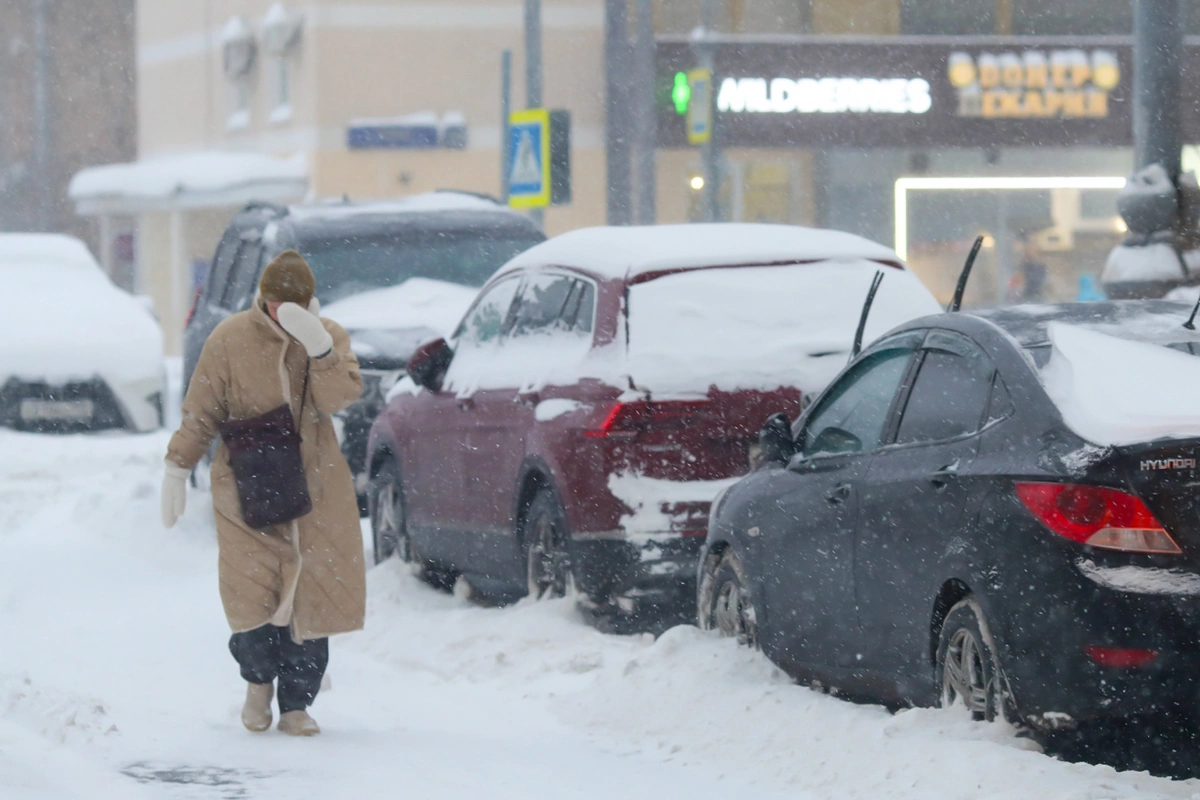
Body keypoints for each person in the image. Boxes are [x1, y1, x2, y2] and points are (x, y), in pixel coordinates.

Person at [161, 250, 366, 736]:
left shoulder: (329, 336)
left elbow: (339, 399)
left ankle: (297, 705)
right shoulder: (230, 338)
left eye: (292, 306)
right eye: (276, 305)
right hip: (245, 486)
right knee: (251, 596)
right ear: (264, 300)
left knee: (309, 603)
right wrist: (177, 465)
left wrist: (321, 353)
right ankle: (257, 683)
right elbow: (202, 409)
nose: (282, 315)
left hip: (315, 488)